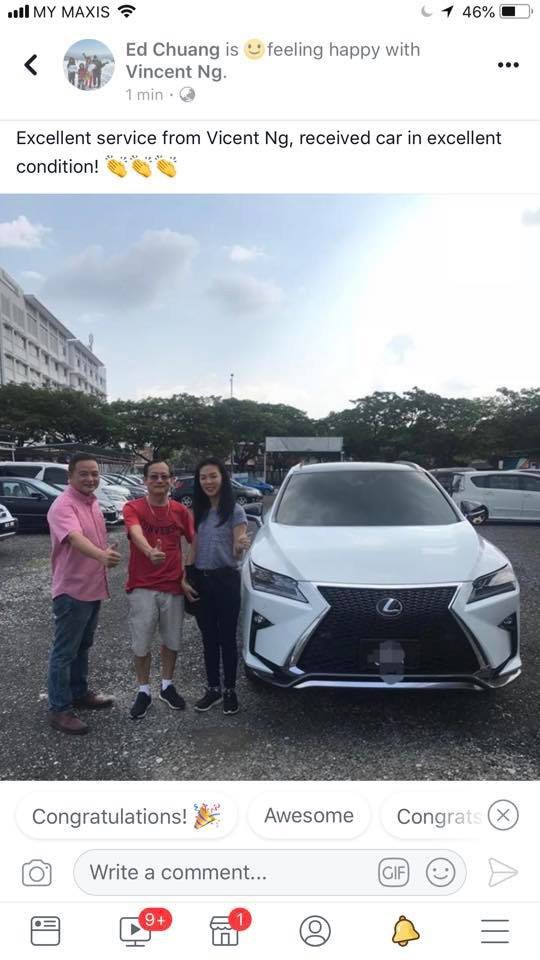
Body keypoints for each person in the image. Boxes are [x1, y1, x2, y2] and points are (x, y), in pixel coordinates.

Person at [47, 454, 121, 735]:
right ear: (70, 476)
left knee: (82, 645)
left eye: (94, 473)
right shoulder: (63, 505)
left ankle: (79, 693)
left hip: (92, 588)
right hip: (72, 591)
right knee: (64, 651)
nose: (91, 479)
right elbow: (75, 538)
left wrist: (104, 552)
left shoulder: (92, 502)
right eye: (84, 474)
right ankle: (59, 709)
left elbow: (92, 538)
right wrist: (102, 556)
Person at [123, 460, 194, 720]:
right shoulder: (133, 507)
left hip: (173, 586)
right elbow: (135, 531)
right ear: (145, 480)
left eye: (164, 476)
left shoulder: (180, 511)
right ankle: (143, 691)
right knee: (141, 642)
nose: (159, 481)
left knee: (172, 640)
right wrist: (148, 551)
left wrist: (187, 574)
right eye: (154, 476)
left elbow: (194, 541)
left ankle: (167, 685)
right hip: (142, 586)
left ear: (172, 480)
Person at [181, 458, 250, 715]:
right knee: (208, 638)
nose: (208, 482)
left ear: (223, 478)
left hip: (226, 580)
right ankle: (213, 689)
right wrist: (186, 577)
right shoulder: (197, 511)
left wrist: (240, 546)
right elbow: (193, 547)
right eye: (203, 477)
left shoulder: (235, 511)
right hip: (201, 580)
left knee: (227, 638)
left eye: (213, 476)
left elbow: (237, 549)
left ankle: (230, 690)